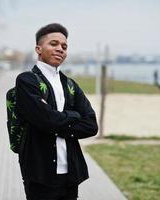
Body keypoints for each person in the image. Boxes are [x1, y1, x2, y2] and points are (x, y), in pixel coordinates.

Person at [15, 23, 98, 200]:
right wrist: (75, 116)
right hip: (40, 173)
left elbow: (91, 125)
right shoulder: (27, 81)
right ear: (38, 49)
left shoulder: (70, 85)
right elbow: (45, 120)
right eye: (54, 44)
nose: (60, 49)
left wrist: (55, 118)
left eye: (64, 46)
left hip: (71, 173)